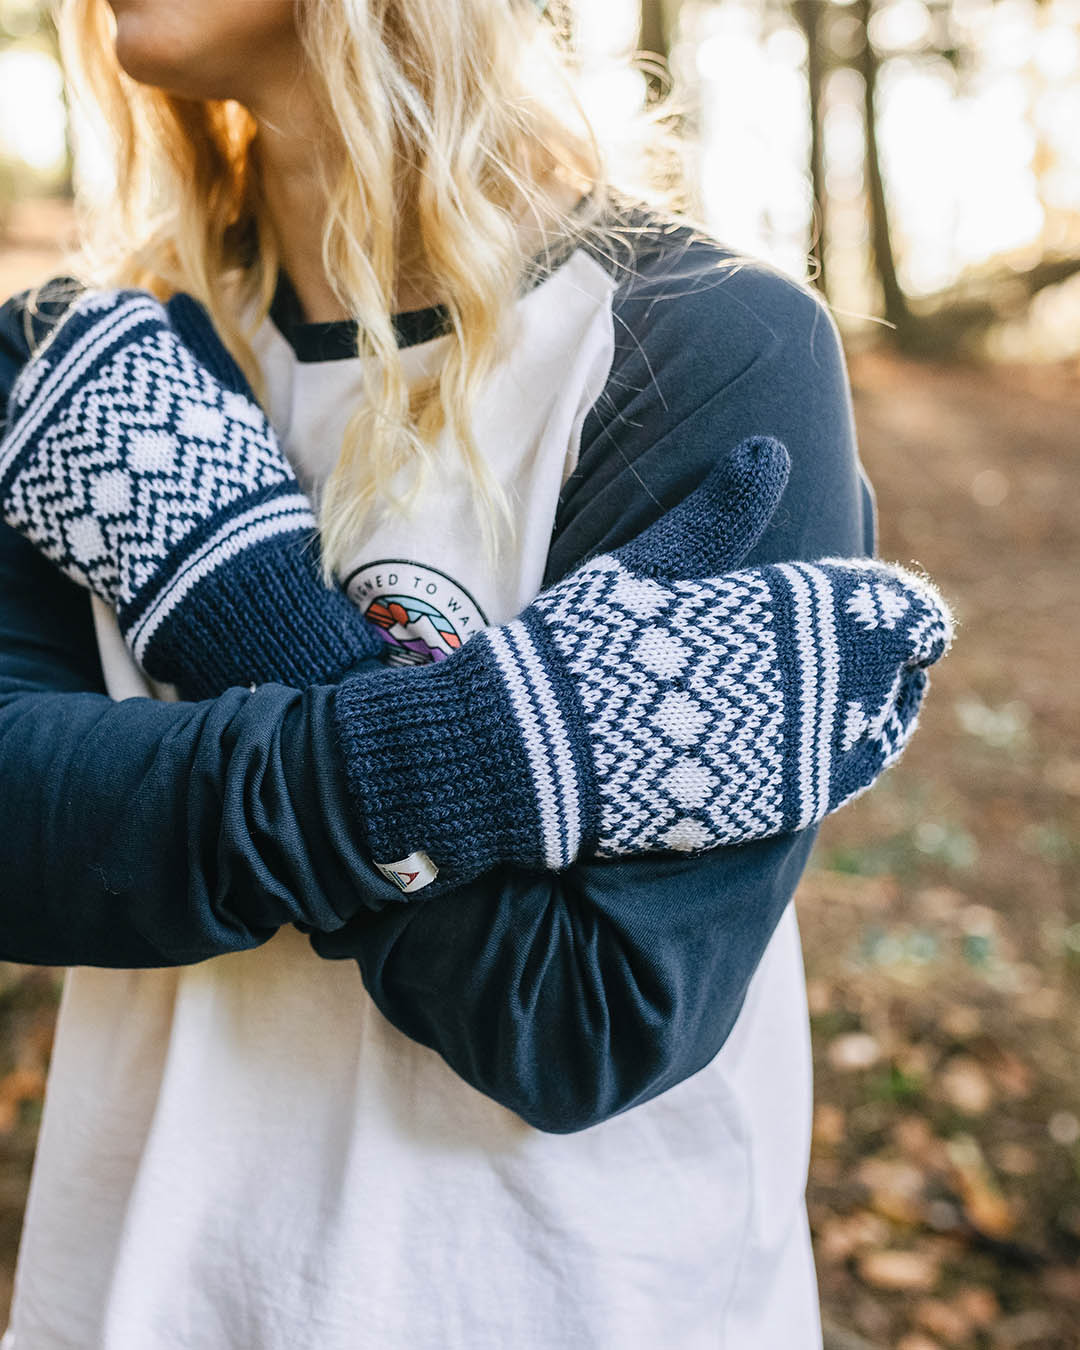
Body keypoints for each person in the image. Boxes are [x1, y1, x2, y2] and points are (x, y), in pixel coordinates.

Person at [0, 0, 951, 1346]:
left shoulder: (702, 346)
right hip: (145, 1297)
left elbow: (579, 1015)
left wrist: (241, 613)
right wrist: (474, 753)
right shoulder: (81, 368)